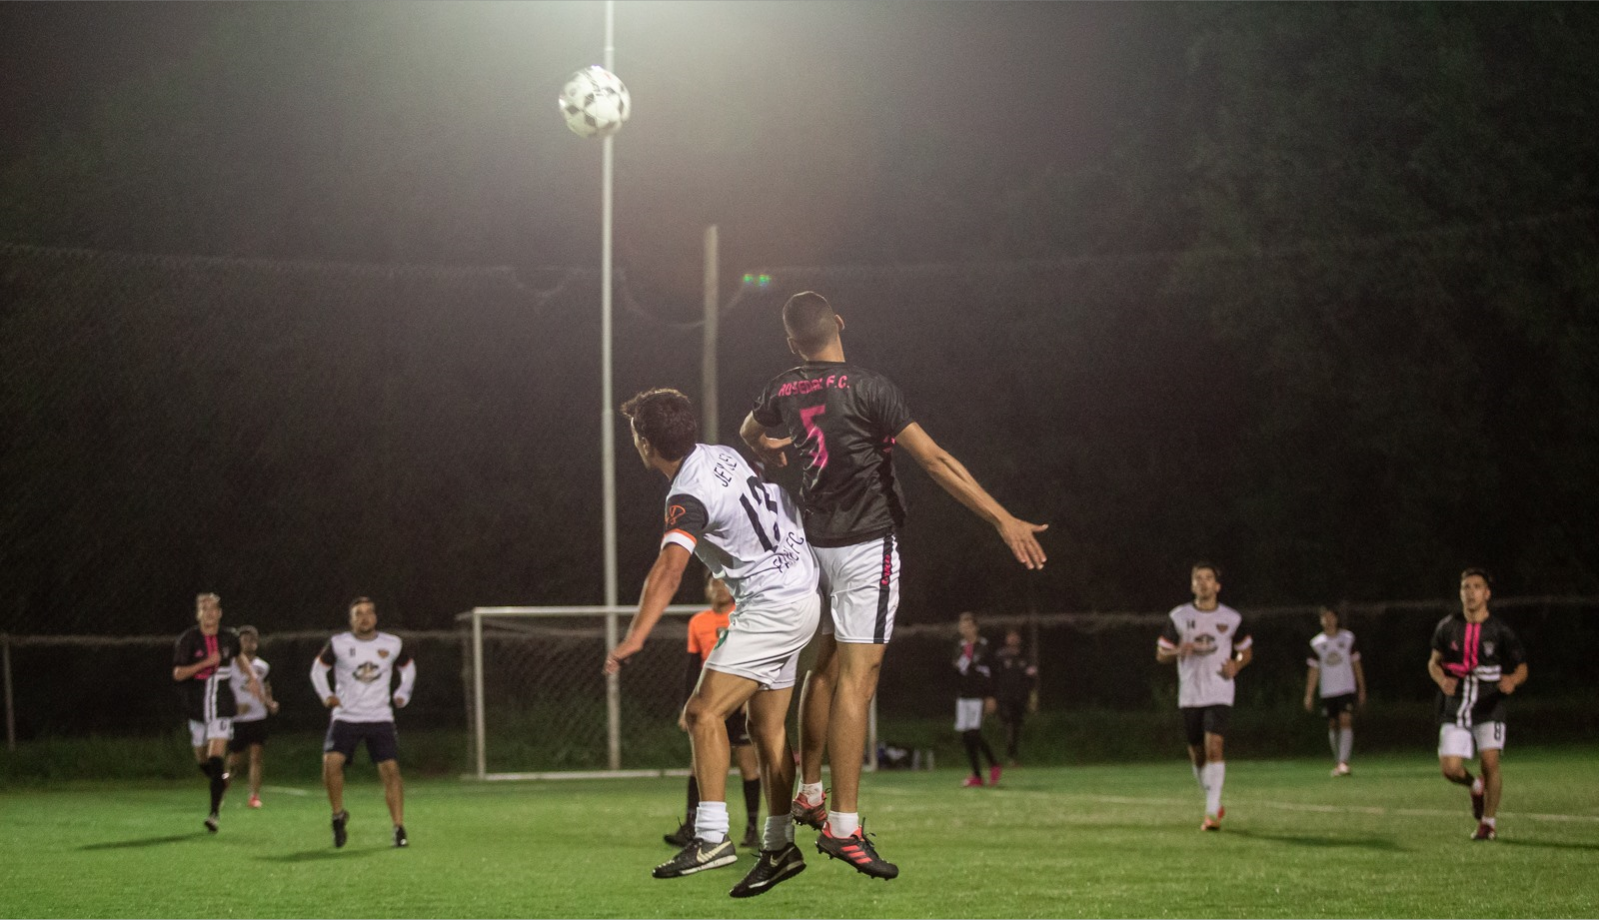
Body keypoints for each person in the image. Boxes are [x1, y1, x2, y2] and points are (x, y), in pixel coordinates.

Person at [740, 291, 1048, 879]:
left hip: (812, 546)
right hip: (863, 547)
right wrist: (1001, 518)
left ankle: (809, 791)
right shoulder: (869, 387)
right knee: (860, 678)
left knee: (824, 668)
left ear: (791, 343)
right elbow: (933, 461)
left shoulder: (781, 387)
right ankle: (844, 828)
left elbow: (749, 429)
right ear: (839, 324)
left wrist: (769, 445)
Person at [606, 387, 820, 898]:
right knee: (766, 729)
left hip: (773, 603)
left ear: (643, 442)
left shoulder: (686, 493)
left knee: (702, 713)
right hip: (799, 587)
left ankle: (709, 838)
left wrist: (634, 636)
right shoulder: (720, 454)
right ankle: (779, 843)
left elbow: (669, 568)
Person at [664, 574, 764, 851]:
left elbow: (755, 656)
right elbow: (693, 667)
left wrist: (749, 694)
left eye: (722, 582)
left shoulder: (743, 615)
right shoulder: (698, 622)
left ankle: (753, 828)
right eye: (712, 583)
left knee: (747, 765)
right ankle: (690, 825)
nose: (717, 587)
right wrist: (687, 706)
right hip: (710, 699)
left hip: (737, 697)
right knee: (698, 765)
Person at [1428, 567, 1528, 841]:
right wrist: (1440, 679)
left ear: (1487, 593)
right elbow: (1433, 663)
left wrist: (1513, 681)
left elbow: (1521, 667)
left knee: (1490, 761)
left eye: (1476, 587)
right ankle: (1475, 786)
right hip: (1456, 705)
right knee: (1450, 769)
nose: (1470, 592)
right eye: (1465, 587)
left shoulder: (1499, 630)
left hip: (1489, 704)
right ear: (1460, 593)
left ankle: (1488, 822)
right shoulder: (1448, 626)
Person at [310, 596, 416, 849]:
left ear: (375, 617)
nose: (365, 617)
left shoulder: (392, 643)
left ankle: (399, 828)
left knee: (391, 770)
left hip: (380, 716)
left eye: (369, 612)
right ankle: (338, 816)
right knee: (331, 764)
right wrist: (327, 696)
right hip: (346, 716)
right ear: (352, 619)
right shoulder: (338, 644)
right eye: (359, 613)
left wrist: (403, 693)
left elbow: (408, 668)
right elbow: (317, 670)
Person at [1154, 562, 1252, 831]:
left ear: (1217, 586)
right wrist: (1178, 651)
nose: (1204, 582)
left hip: (1220, 690)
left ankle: (1211, 812)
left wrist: (1237, 664)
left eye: (1209, 578)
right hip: (1190, 693)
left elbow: (1246, 651)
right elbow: (1161, 653)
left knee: (1214, 747)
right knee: (1197, 754)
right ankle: (1213, 799)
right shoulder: (1179, 616)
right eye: (1199, 578)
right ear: (1192, 585)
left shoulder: (1231, 618)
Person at [171, 592, 261, 833]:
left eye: (213, 608)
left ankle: (214, 814)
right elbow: (178, 674)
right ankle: (220, 781)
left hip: (221, 704)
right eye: (204, 608)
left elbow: (239, 657)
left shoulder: (229, 637)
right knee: (203, 761)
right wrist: (205, 663)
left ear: (219, 613)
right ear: (198, 613)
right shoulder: (188, 639)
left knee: (215, 757)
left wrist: (252, 677)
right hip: (197, 705)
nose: (209, 613)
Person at [1303, 606, 1365, 777]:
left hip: (1346, 687)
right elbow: (1313, 670)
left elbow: (1356, 663)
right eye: (1325, 617)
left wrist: (1361, 687)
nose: (1329, 620)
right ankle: (1338, 760)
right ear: (1321, 620)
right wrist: (1309, 694)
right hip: (1327, 691)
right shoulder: (1316, 643)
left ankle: (1344, 762)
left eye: (1331, 616)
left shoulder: (1348, 638)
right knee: (1333, 724)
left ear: (1336, 619)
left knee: (1345, 720)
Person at [227, 625, 280, 808]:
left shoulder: (262, 666)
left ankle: (254, 796)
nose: (248, 643)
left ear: (256, 644)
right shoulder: (231, 665)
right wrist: (233, 707)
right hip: (238, 719)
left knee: (256, 756)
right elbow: (223, 690)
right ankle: (220, 793)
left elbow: (266, 687)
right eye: (244, 640)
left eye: (251, 640)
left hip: (258, 716)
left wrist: (270, 703)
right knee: (234, 759)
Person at [952, 612, 1001, 788]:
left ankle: (994, 765)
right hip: (963, 696)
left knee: (974, 733)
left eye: (967, 625)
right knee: (966, 735)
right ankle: (977, 775)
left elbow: (993, 673)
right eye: (961, 625)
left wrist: (991, 696)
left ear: (975, 627)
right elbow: (957, 667)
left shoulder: (984, 647)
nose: (963, 628)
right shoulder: (959, 646)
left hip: (978, 696)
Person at [992, 627, 1039, 767]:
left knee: (1016, 726)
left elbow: (1032, 678)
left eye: (1015, 636)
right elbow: (993, 676)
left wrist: (1032, 698)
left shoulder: (1026, 657)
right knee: (1007, 723)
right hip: (1003, 697)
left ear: (1019, 639)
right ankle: (1003, 754)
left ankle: (1012, 756)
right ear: (1006, 639)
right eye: (1010, 636)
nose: (1013, 639)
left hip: (1020, 697)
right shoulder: (999, 656)